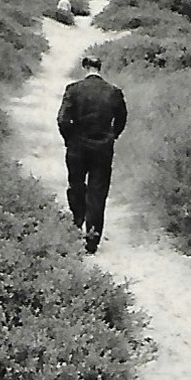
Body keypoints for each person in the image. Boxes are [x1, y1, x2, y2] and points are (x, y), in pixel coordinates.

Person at [57, 55, 128, 254]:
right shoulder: (113, 92)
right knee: (98, 192)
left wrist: (69, 140)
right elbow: (121, 118)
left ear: (85, 67)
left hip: (77, 147)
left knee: (76, 186)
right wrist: (113, 136)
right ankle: (92, 239)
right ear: (99, 68)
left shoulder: (73, 89)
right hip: (103, 149)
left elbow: (62, 119)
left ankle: (77, 222)